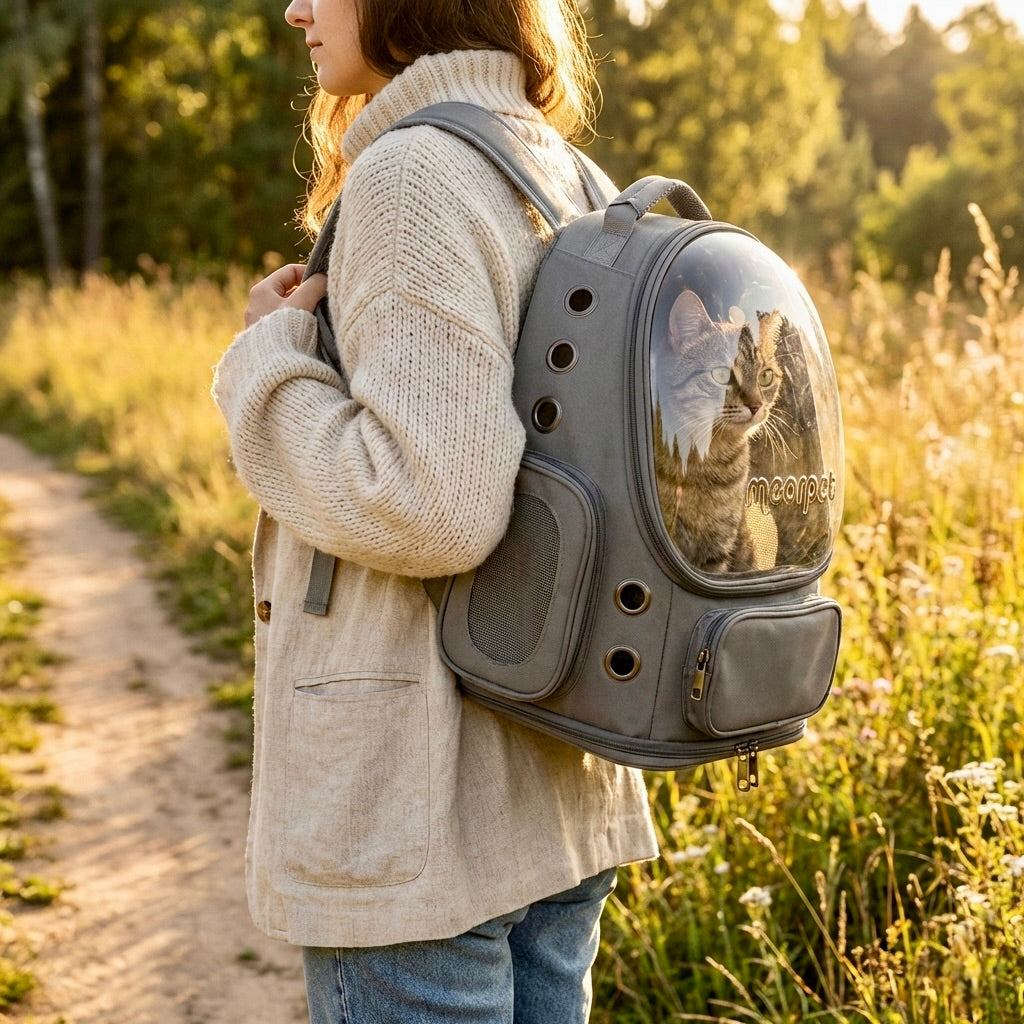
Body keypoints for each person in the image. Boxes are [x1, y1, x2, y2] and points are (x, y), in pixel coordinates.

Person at [211, 0, 657, 1020]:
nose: (295, 10)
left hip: (417, 810)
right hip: (550, 772)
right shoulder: (557, 169)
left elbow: (434, 505)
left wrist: (264, 365)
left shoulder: (414, 177)